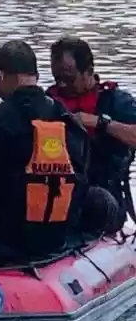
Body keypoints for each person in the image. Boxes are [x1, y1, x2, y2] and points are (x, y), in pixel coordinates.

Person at [0, 40, 117, 266]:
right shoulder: (69, 120)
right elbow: (81, 181)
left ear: (0, 73)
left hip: (3, 244)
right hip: (58, 240)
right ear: (35, 73)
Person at [47, 36, 136, 230]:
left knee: (96, 200)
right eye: (57, 78)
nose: (61, 85)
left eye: (69, 78)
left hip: (103, 199)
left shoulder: (116, 102)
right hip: (55, 200)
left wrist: (100, 123)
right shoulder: (47, 103)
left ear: (89, 72)